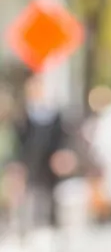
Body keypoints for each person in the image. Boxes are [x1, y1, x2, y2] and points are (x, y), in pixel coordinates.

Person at [14, 72, 70, 233]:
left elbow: (62, 138)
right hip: (30, 162)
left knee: (49, 195)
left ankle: (50, 227)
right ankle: (29, 230)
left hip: (49, 163)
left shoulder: (54, 114)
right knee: (29, 197)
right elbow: (19, 142)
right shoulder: (23, 116)